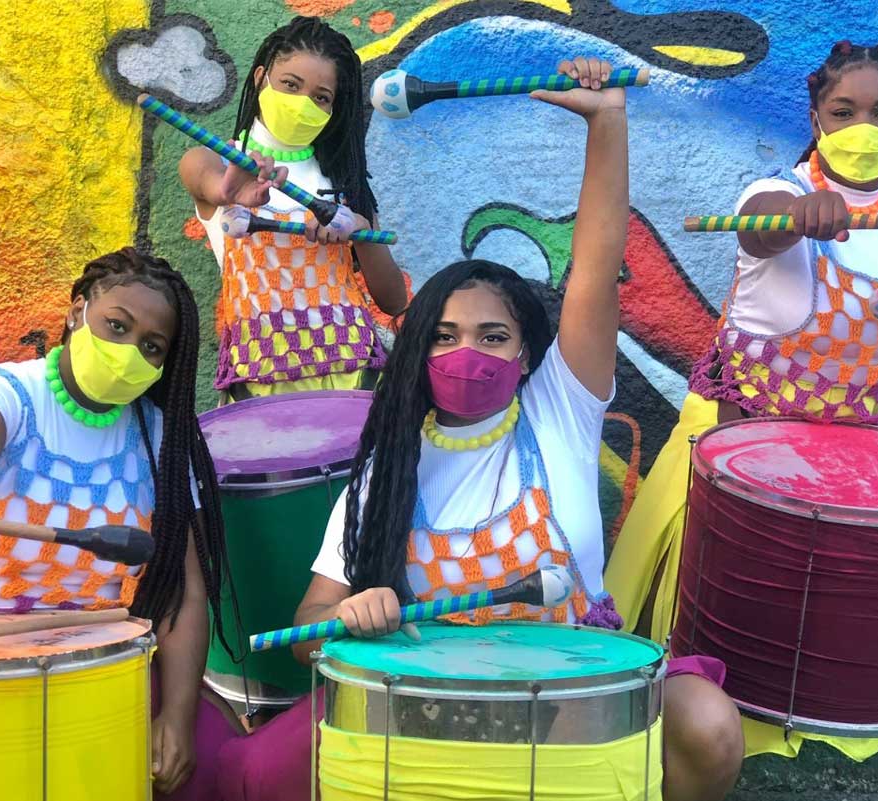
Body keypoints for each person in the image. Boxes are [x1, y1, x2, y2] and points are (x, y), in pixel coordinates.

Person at [215, 57, 744, 801]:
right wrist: (345, 616)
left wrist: (607, 122)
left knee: (705, 720)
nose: (468, 352)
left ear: (527, 352)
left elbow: (595, 263)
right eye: (444, 335)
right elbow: (307, 631)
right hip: (434, 709)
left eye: (493, 336)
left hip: (571, 703)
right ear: (417, 351)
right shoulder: (387, 468)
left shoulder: (561, 408)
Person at [605, 41, 878, 801]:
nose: (864, 125)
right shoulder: (773, 190)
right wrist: (799, 215)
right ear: (817, 117)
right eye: (844, 111)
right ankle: (668, 763)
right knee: (691, 613)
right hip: (743, 442)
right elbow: (760, 229)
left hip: (874, 448)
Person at [0, 248, 244, 800]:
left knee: (214, 757)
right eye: (116, 325)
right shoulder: (2, 389)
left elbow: (183, 595)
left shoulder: (163, 437)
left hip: (95, 668)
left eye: (150, 347)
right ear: (76, 312)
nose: (128, 351)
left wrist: (178, 716)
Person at [179, 15, 407, 402]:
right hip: (258, 379)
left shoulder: (344, 182)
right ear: (260, 78)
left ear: (334, 108)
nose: (303, 104)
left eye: (321, 97)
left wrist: (361, 230)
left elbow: (394, 301)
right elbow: (212, 185)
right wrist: (231, 189)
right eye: (290, 85)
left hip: (353, 374)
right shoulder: (213, 161)